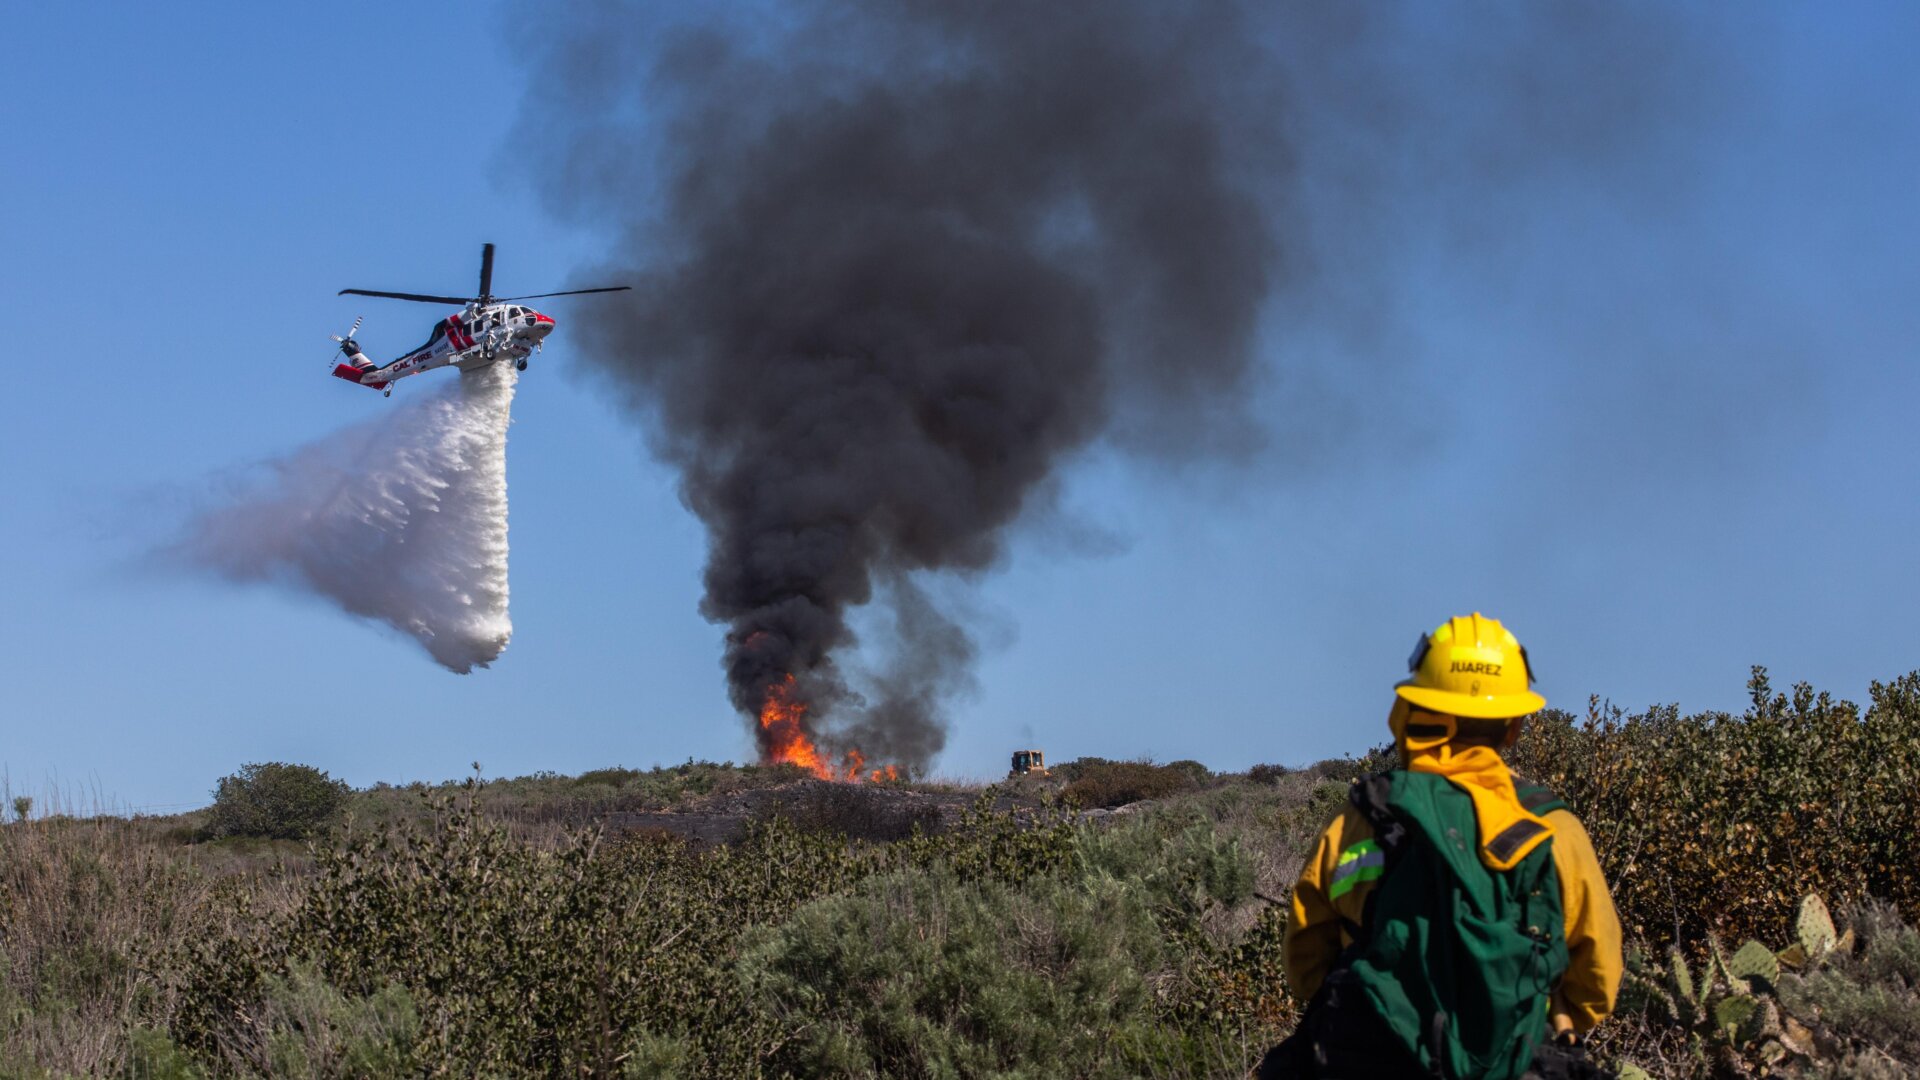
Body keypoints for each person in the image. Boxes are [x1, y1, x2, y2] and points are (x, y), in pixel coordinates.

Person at [1261, 614, 1622, 1080]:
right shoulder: (1556, 830)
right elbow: (1597, 981)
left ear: (1416, 709)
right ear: (1513, 727)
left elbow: (1305, 955)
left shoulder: (1365, 818)